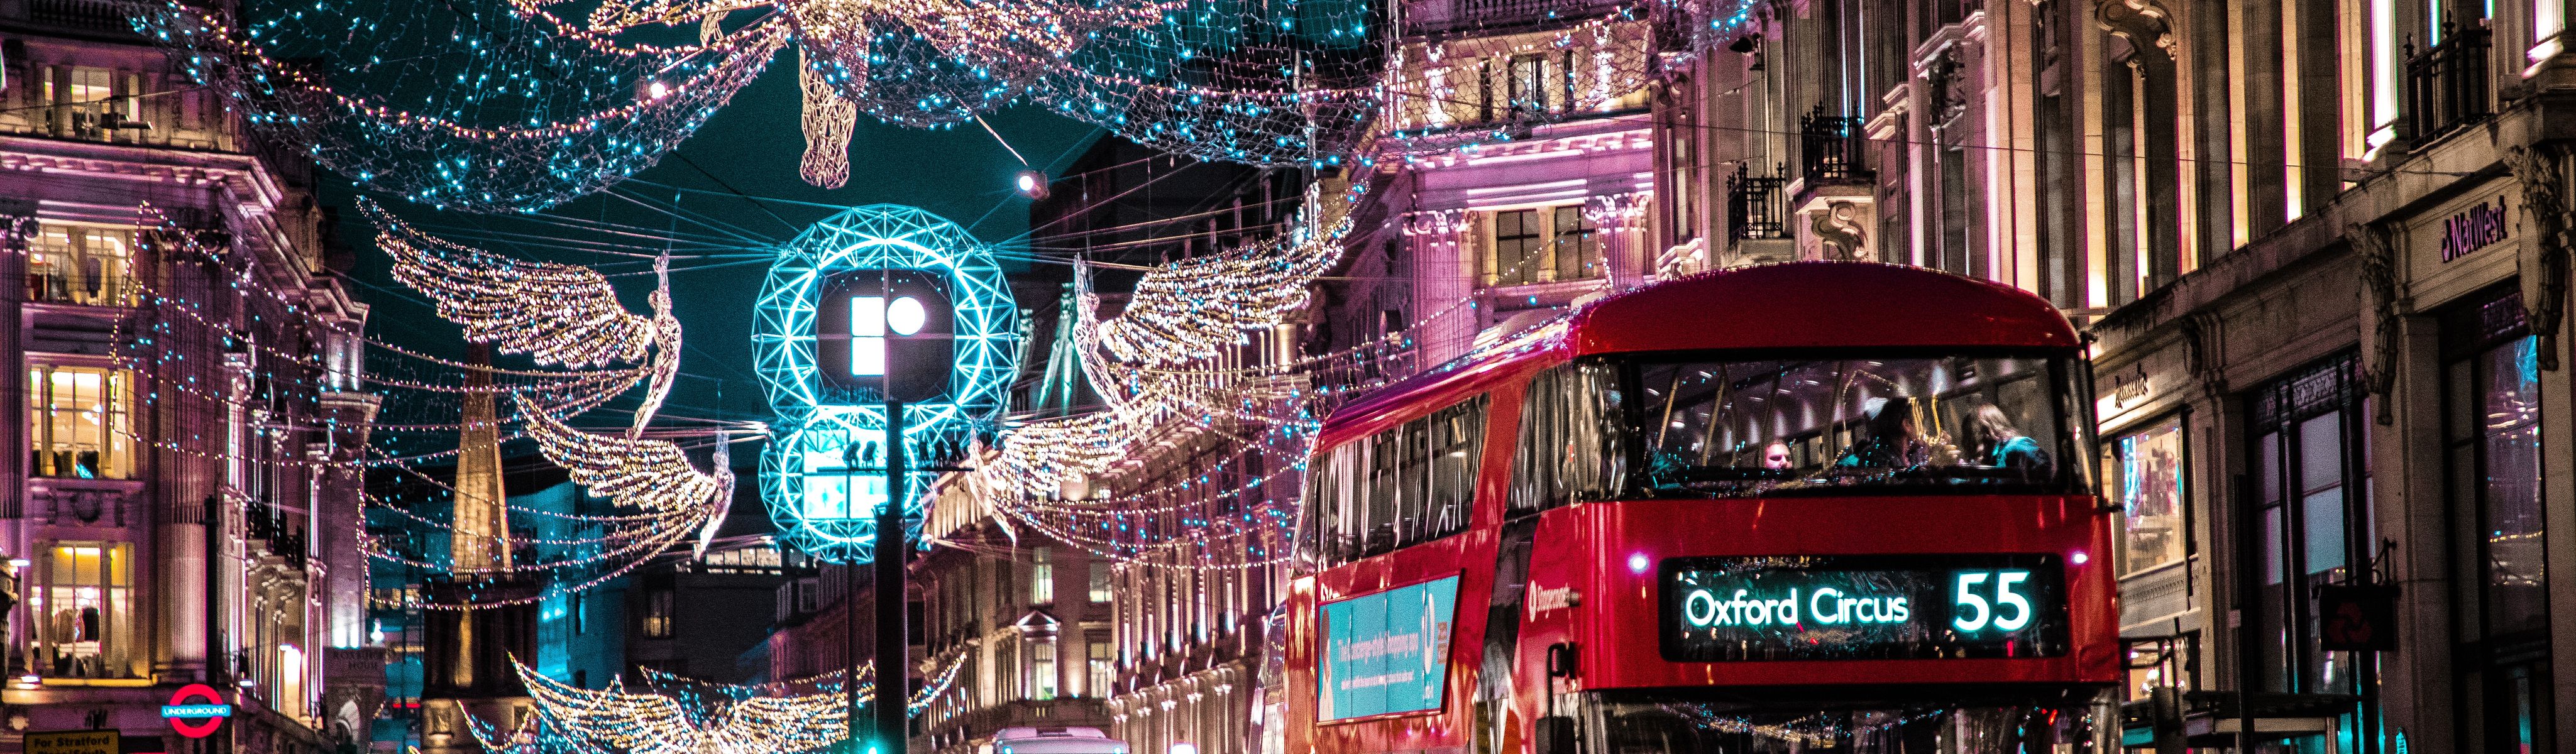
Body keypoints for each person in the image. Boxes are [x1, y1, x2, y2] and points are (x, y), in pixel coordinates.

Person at [1839, 397, 1927, 469]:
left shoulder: (1914, 454)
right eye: (1918, 421)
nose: (1922, 428)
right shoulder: (1875, 457)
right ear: (1905, 424)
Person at [1968, 405, 2051, 473]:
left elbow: (2044, 463)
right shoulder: (1994, 455)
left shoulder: (2014, 446)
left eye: (1980, 431)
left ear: (1988, 430)